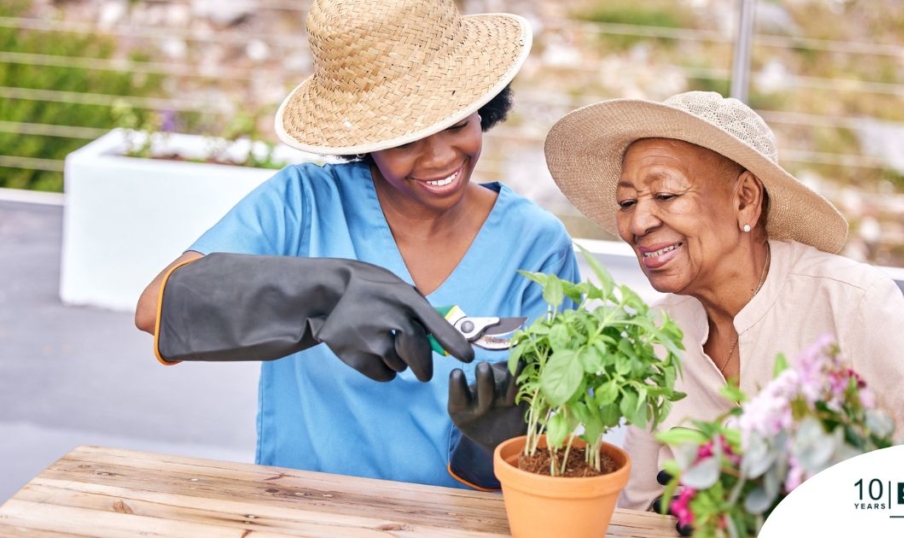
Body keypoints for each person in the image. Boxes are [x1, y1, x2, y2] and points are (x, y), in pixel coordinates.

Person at [134, 0, 578, 490]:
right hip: (303, 514)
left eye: (458, 123)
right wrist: (323, 294)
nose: (440, 157)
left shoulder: (535, 245)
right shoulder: (302, 204)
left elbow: (556, 418)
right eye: (407, 138)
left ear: (486, 109)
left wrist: (493, 446)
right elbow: (157, 309)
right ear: (368, 137)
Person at [542, 91, 904, 515]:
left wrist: (827, 501)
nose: (637, 222)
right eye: (627, 201)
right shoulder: (655, 338)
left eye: (665, 195)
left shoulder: (850, 302)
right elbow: (640, 508)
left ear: (745, 200)